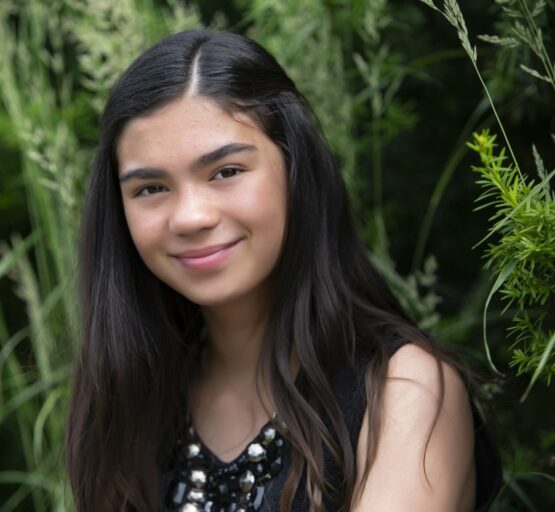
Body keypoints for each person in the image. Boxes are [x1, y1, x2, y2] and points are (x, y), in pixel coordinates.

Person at [65, 30, 501, 512]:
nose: (190, 216)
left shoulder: (405, 392)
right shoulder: (134, 401)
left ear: (296, 171)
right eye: (150, 188)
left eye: (226, 171)